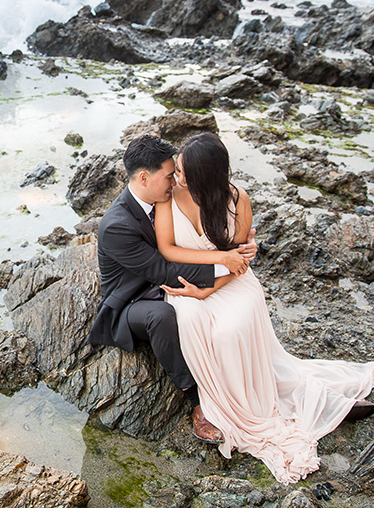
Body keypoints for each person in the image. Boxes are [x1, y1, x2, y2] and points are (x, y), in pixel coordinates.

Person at [156, 132, 374, 484]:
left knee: (233, 326)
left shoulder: (236, 199)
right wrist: (210, 273)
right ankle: (219, 407)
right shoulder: (169, 197)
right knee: (192, 318)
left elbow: (241, 264)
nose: (176, 175)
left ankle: (305, 401)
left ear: (206, 175)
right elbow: (168, 249)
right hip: (188, 286)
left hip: (230, 284)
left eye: (183, 171)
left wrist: (216, 281)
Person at [87, 134, 257, 443]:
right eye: (169, 176)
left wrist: (241, 251)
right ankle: (196, 402)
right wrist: (225, 264)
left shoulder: (162, 199)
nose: (174, 182)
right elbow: (163, 269)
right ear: (143, 177)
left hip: (166, 285)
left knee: (219, 320)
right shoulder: (117, 225)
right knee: (162, 315)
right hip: (131, 303)